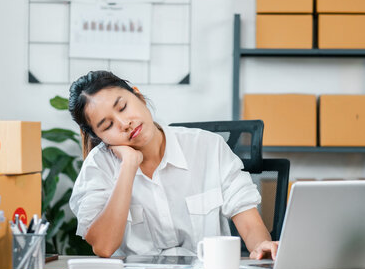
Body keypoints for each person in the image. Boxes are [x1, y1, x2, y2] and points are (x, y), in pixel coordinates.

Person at [68, 71, 278, 259]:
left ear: (138, 96)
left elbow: (251, 226)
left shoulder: (208, 146)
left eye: (123, 107)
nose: (124, 124)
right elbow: (104, 247)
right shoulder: (99, 166)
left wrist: (262, 247)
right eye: (108, 125)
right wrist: (128, 166)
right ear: (98, 136)